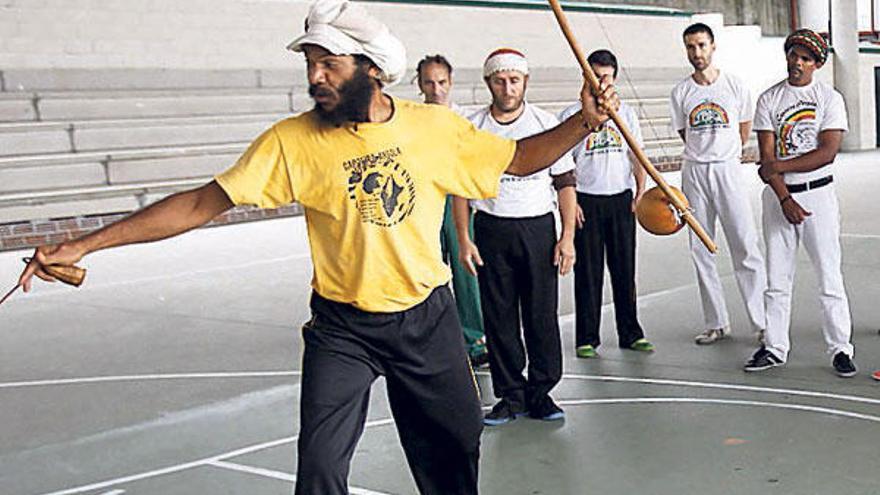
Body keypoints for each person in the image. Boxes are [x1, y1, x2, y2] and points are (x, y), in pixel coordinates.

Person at [18, 2, 618, 493]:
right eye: (310, 63)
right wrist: (86, 244)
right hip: (344, 328)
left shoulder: (433, 129)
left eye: (328, 64)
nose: (314, 77)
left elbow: (517, 159)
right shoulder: (291, 142)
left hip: (427, 321)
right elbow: (202, 203)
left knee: (454, 455)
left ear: (371, 69)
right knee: (321, 469)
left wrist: (584, 122)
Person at [454, 48, 577, 426]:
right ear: (488, 83)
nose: (507, 88)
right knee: (499, 316)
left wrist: (567, 235)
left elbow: (566, 183)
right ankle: (510, 395)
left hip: (538, 228)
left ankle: (541, 393)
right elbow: (460, 187)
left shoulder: (545, 123)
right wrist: (464, 237)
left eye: (514, 80)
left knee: (541, 314)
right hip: (491, 229)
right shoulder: (473, 127)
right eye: (500, 80)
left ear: (526, 82)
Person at [744, 29, 857, 377]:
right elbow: (766, 159)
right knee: (777, 278)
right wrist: (784, 196)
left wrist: (780, 165)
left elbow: (827, 152)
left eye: (806, 58)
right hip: (780, 198)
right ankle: (775, 347)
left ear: (817, 64)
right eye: (793, 54)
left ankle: (840, 347)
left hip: (819, 196)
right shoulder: (769, 99)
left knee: (828, 275)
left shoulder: (829, 98)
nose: (797, 62)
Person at [670, 22, 767, 346]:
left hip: (727, 170)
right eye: (690, 47)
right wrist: (704, 155)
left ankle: (762, 321)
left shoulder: (735, 86)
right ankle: (716, 322)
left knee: (745, 244)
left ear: (713, 47)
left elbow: (742, 130)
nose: (696, 53)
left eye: (701, 45)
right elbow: (687, 134)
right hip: (694, 172)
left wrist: (722, 155)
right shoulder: (681, 92)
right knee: (701, 247)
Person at [559, 49, 653, 358]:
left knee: (624, 270)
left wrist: (639, 191)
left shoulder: (626, 115)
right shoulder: (571, 116)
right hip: (587, 201)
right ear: (585, 78)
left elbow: (636, 155)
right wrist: (573, 205)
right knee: (589, 273)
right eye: (594, 77)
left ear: (614, 79)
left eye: (606, 78)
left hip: (620, 200)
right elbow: (561, 166)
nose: (601, 83)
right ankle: (587, 337)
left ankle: (631, 332)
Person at [415, 54, 489, 368]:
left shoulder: (465, 120)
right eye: (429, 82)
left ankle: (475, 339)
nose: (436, 89)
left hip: (458, 201)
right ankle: (430, 339)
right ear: (420, 84)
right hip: (423, 203)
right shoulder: (410, 120)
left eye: (442, 82)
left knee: (466, 270)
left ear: (451, 82)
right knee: (428, 273)